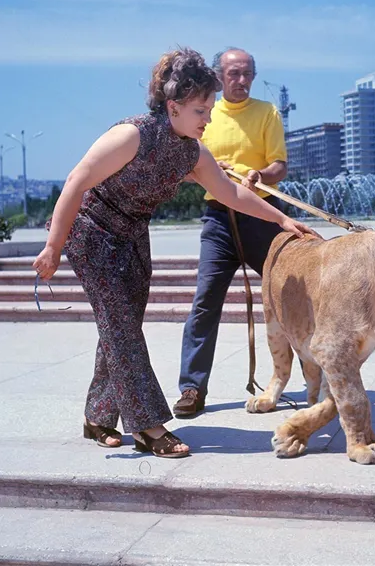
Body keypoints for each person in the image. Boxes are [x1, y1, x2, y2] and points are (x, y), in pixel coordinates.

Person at [33, 48, 317, 459]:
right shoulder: (132, 135)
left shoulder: (192, 152)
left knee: (121, 325)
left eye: (210, 110)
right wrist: (53, 247)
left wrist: (282, 220)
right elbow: (77, 181)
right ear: (173, 106)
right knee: (122, 328)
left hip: (131, 234)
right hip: (91, 232)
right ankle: (149, 426)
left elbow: (231, 192)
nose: (208, 119)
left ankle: (97, 416)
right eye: (201, 110)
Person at [173, 47, 288, 417]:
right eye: (233, 74)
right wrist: (207, 168)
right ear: (218, 77)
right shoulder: (205, 113)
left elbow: (279, 166)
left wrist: (259, 175)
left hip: (261, 214)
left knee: (290, 294)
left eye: (247, 73)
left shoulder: (267, 112)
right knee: (205, 301)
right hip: (219, 218)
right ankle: (192, 387)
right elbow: (187, 163)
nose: (241, 81)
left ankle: (313, 377)